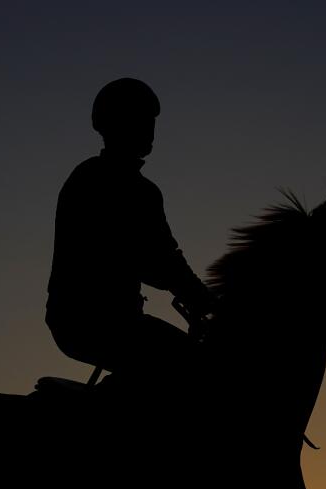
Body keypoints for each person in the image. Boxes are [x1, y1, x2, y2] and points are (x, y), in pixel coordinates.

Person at [46, 77, 216, 388]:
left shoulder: (100, 179)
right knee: (197, 368)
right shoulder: (113, 183)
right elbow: (160, 261)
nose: (150, 130)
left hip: (96, 320)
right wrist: (203, 298)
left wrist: (196, 294)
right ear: (118, 124)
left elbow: (160, 260)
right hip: (99, 322)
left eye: (151, 122)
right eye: (142, 121)